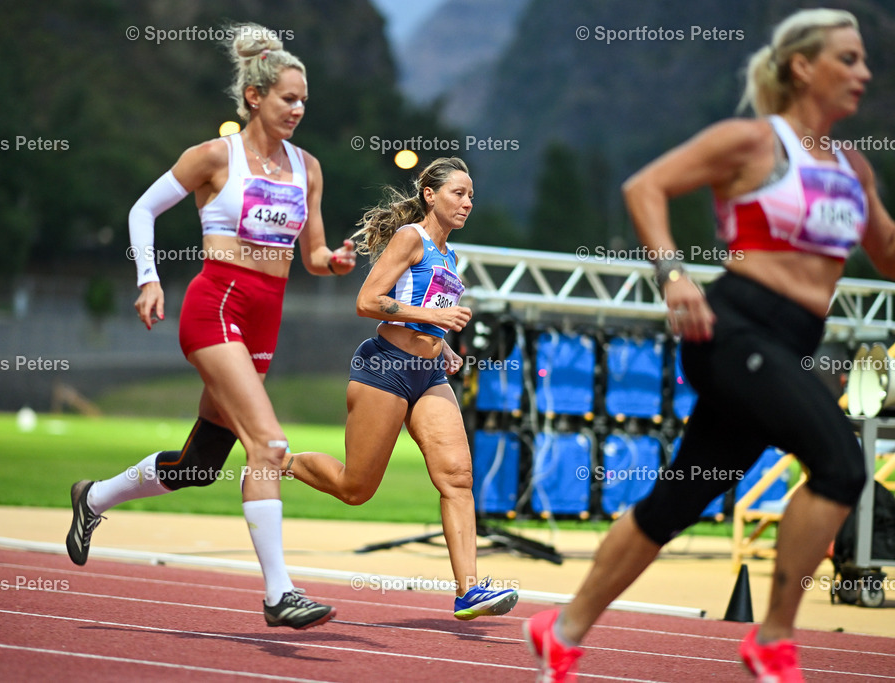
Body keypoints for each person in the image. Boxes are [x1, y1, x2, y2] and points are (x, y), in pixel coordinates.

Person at [525, 8, 892, 682]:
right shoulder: (752, 141)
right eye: (848, 58)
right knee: (840, 464)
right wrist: (673, 276)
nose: (864, 72)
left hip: (788, 342)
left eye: (865, 59)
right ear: (803, 66)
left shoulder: (854, 169)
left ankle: (563, 628)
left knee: (677, 500)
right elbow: (646, 186)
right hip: (732, 330)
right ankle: (773, 638)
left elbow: (888, 251)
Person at [65, 23, 356, 630]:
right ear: (255, 96)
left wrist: (335, 262)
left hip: (266, 317)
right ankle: (279, 594)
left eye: (304, 101)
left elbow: (311, 255)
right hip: (216, 304)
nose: (298, 109)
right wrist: (149, 279)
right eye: (288, 98)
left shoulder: (309, 168)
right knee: (268, 445)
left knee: (200, 465)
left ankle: (93, 497)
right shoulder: (214, 156)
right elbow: (142, 209)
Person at [286, 157, 519, 620]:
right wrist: (434, 317)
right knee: (356, 488)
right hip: (385, 367)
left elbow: (422, 310)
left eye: (471, 196)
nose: (467, 203)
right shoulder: (410, 238)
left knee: (458, 476)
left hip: (428, 375)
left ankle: (469, 591)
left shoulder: (451, 257)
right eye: (458, 193)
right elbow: (367, 301)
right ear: (430, 195)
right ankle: (279, 461)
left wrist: (442, 345)